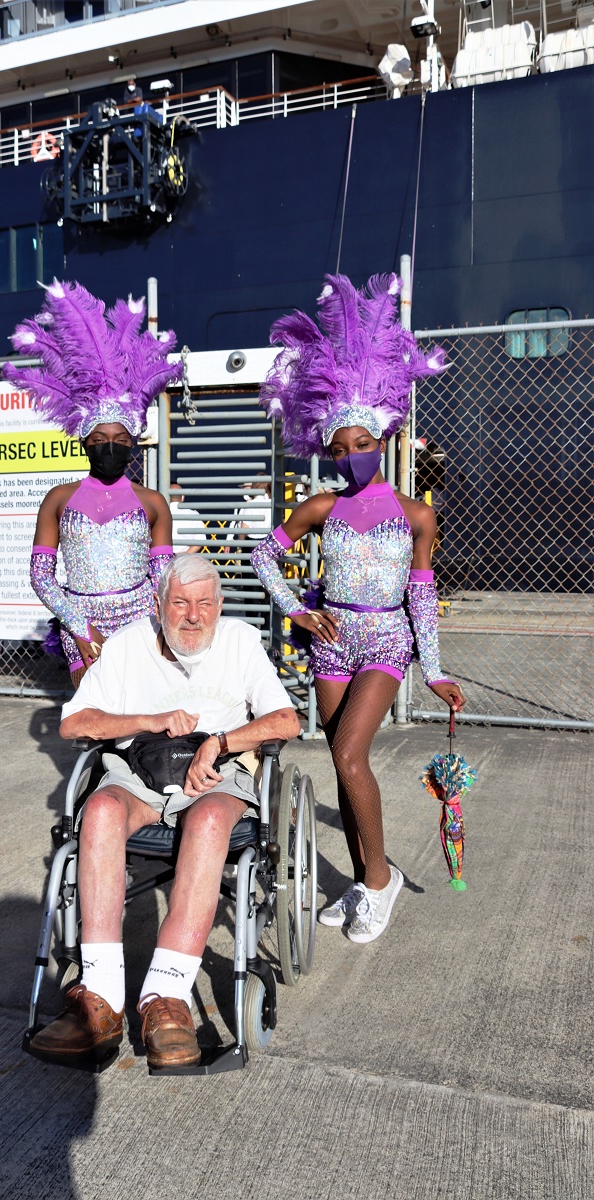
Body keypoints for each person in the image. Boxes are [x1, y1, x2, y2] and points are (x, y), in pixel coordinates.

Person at [252, 272, 465, 944]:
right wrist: (298, 610)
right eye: (339, 451)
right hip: (331, 642)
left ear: (385, 439)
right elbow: (263, 556)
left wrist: (432, 669)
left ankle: (380, 882)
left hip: (384, 645)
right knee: (344, 767)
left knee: (348, 755)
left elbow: (421, 594)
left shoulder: (416, 515)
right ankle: (361, 877)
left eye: (362, 446)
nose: (351, 459)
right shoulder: (320, 507)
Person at [29, 555, 300, 1068]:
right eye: (180, 603)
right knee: (101, 810)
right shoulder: (130, 644)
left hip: (215, 773)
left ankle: (165, 998)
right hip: (142, 770)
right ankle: (102, 1000)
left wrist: (220, 741)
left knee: (210, 820)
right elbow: (74, 723)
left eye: (204, 604)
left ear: (220, 607)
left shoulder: (240, 642)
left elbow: (285, 718)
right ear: (158, 605)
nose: (193, 616)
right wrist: (150, 720)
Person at [4, 280, 182, 688]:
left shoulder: (152, 502)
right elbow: (41, 576)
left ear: (133, 444)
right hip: (78, 620)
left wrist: (164, 629)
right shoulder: (59, 499)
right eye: (100, 441)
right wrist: (80, 628)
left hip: (142, 619)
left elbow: (162, 576)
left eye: (120, 441)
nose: (110, 449)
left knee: (144, 712)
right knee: (96, 720)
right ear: (84, 441)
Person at [169, 482, 207, 553]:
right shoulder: (193, 515)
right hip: (184, 560)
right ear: (183, 497)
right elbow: (200, 541)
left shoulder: (160, 514)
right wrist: (184, 556)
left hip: (162, 559)